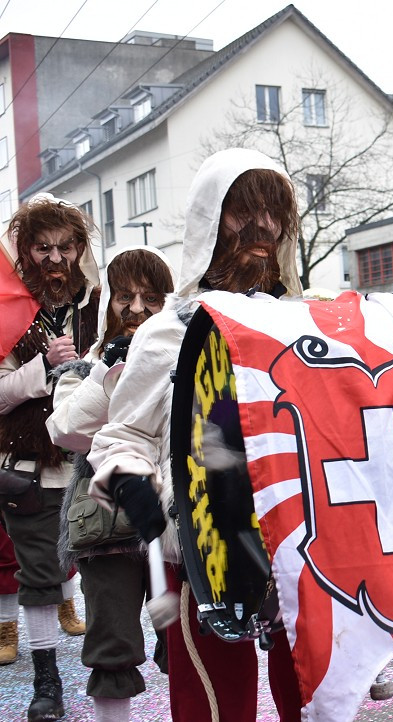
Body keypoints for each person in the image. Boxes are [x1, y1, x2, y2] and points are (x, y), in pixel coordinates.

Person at [86, 149, 305, 721]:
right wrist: (130, 479)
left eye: (274, 213)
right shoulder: (171, 330)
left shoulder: (304, 324)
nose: (262, 229)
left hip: (300, 550)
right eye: (243, 212)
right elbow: (124, 434)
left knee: (314, 700)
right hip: (209, 550)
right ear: (213, 220)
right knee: (213, 709)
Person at [46, 246, 174, 722]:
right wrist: (106, 372)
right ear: (108, 304)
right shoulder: (84, 368)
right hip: (107, 526)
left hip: (174, 524)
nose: (137, 309)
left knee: (184, 642)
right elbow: (65, 431)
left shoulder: (183, 358)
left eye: (151, 297)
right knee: (112, 647)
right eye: (125, 296)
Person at [0, 193, 100, 722]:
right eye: (43, 248)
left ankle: (120, 663)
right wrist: (42, 367)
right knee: (39, 578)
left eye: (65, 247)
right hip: (33, 469)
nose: (56, 259)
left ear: (79, 248)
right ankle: (47, 682)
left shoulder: (102, 303)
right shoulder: (8, 308)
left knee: (113, 566)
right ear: (25, 249)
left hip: (97, 461)